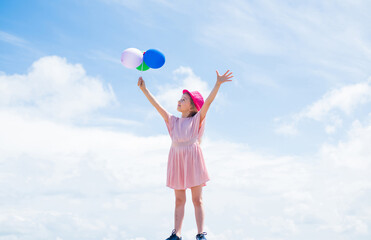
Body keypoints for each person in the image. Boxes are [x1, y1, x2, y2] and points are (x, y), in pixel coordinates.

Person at [138, 70, 233, 240]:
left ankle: (200, 234)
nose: (179, 101)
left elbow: (208, 103)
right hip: (177, 161)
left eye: (184, 99)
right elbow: (157, 106)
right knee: (179, 200)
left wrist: (217, 84)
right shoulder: (172, 121)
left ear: (192, 106)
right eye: (180, 98)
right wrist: (144, 90)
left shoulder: (196, 120)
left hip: (193, 160)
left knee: (197, 200)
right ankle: (177, 234)